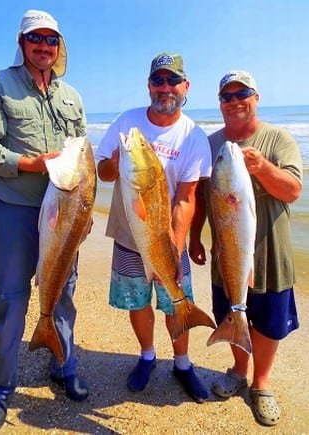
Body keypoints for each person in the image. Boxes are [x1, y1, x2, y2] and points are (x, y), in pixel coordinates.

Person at [0, 10, 89, 433]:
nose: (44, 46)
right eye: (35, 38)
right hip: (13, 209)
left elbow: (82, 155)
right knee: (12, 297)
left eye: (51, 39)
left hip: (66, 213)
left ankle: (63, 364)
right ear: (21, 43)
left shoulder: (71, 95)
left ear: (59, 47)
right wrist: (28, 164)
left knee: (63, 292)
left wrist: (85, 210)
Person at [189, 70, 303, 426]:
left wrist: (262, 167)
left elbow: (293, 191)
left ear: (256, 98)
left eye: (243, 94)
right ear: (220, 103)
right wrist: (195, 237)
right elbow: (200, 200)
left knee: (268, 321)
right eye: (227, 97)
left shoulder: (278, 137)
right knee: (232, 310)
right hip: (226, 248)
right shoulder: (211, 145)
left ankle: (262, 383)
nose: (235, 102)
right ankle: (238, 370)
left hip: (270, 249)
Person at [96, 53, 212, 402]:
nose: (165, 87)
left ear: (186, 86)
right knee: (137, 302)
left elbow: (187, 198)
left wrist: (173, 249)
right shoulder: (127, 123)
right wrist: (114, 166)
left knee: (176, 302)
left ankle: (182, 363)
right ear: (149, 85)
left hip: (168, 238)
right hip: (128, 236)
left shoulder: (193, 135)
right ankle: (147, 356)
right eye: (158, 80)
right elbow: (102, 171)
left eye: (173, 80)